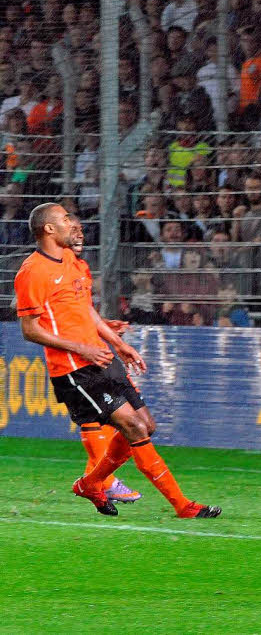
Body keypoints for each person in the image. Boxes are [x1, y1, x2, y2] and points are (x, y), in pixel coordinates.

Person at [13, 202, 220, 519]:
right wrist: (80, 348)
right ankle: (183, 506)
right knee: (134, 426)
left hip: (102, 356)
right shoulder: (32, 272)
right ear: (49, 229)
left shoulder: (72, 261)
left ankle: (89, 484)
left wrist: (118, 343)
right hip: (74, 369)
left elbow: (84, 311)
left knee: (147, 425)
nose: (72, 223)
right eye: (65, 218)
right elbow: (30, 330)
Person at [66, 216, 143, 504]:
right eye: (71, 229)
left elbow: (82, 311)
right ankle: (102, 481)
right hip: (74, 356)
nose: (79, 235)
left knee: (108, 419)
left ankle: (96, 480)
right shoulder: (46, 269)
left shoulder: (79, 267)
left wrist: (104, 328)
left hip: (91, 349)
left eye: (81, 230)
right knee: (104, 418)